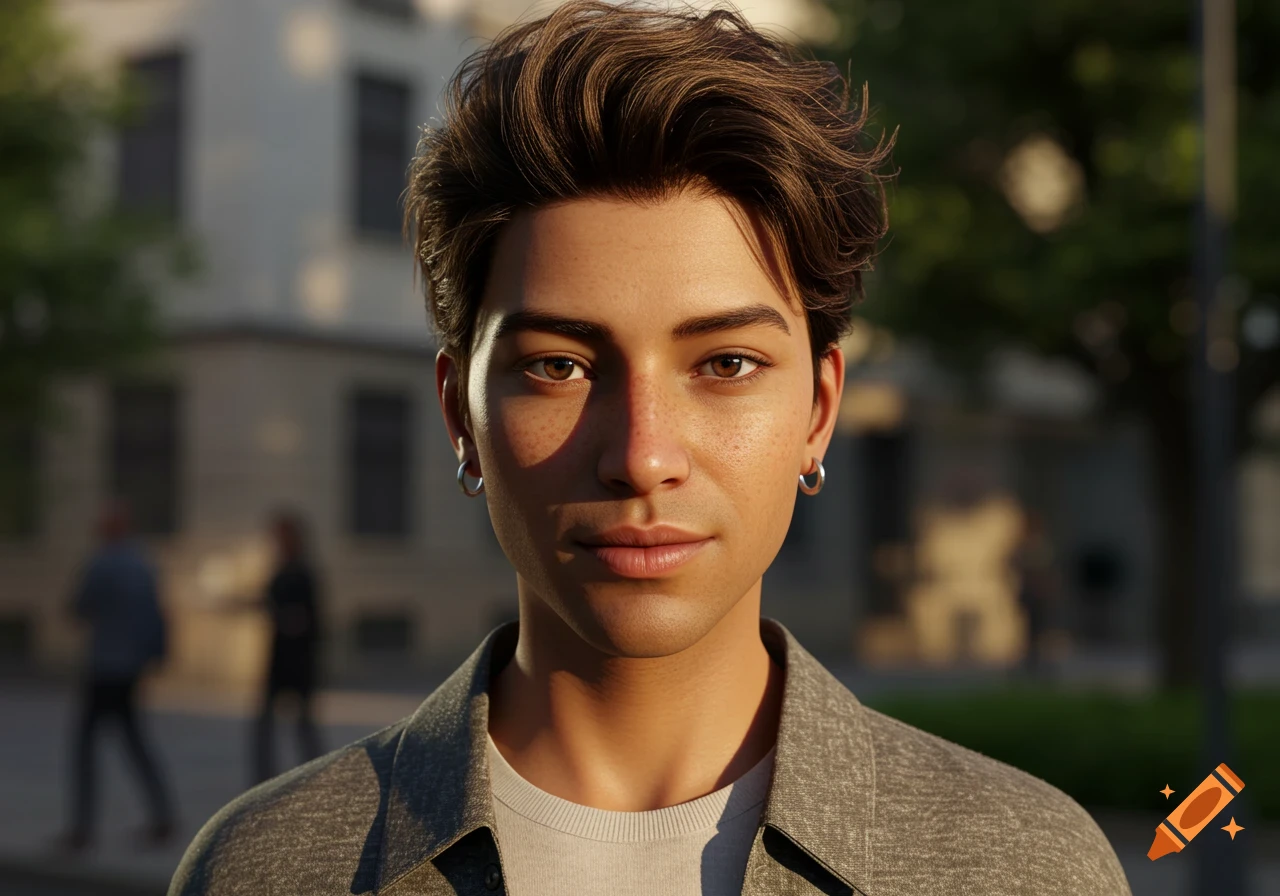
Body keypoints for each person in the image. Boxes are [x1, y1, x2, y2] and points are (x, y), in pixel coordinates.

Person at [170, 2, 1132, 894]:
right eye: (558, 366)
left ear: (819, 408)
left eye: (724, 363)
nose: (641, 455)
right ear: (460, 412)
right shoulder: (269, 867)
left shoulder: (1021, 864)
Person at [59, 499, 176, 851]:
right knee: (136, 743)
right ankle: (163, 816)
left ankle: (82, 828)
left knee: (85, 747)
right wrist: (154, 657)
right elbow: (158, 614)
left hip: (104, 667)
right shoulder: (143, 563)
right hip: (130, 669)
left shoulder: (101, 563)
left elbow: (78, 607)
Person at [251, 510, 323, 784]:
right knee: (270, 725)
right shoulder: (283, 569)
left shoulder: (301, 572)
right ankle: (263, 780)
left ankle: (316, 777)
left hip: (298, 659)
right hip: (281, 658)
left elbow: (308, 619)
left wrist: (282, 615)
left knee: (301, 726)